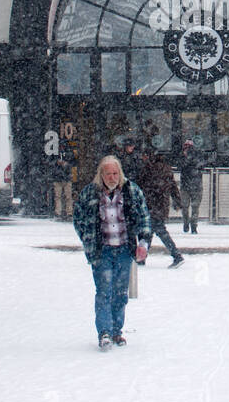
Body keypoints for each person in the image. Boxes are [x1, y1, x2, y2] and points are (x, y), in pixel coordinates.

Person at [73, 155, 153, 350]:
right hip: (102, 251)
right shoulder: (90, 193)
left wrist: (143, 243)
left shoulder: (131, 191)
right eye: (108, 173)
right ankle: (105, 332)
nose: (112, 177)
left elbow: (144, 217)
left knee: (120, 293)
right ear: (101, 174)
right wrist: (88, 239)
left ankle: (117, 331)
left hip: (125, 250)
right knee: (104, 292)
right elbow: (78, 218)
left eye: (115, 173)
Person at [139, 149, 185, 268]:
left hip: (151, 205)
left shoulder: (148, 169)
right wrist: (177, 201)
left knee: (156, 231)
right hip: (161, 206)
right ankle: (142, 258)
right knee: (150, 232)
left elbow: (142, 186)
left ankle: (176, 255)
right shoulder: (166, 169)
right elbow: (173, 187)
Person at [177, 139, 205, 234]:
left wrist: (187, 159)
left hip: (190, 184)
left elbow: (200, 165)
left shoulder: (196, 155)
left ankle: (191, 225)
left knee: (190, 207)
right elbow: (180, 166)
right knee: (190, 207)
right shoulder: (183, 155)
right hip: (192, 184)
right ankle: (190, 225)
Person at [49, 144, 74, 219]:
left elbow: (73, 162)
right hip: (58, 178)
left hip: (66, 178)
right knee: (58, 196)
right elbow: (50, 163)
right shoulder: (54, 154)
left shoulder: (69, 153)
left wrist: (66, 164)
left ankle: (69, 212)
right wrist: (57, 163)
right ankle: (58, 212)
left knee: (68, 197)